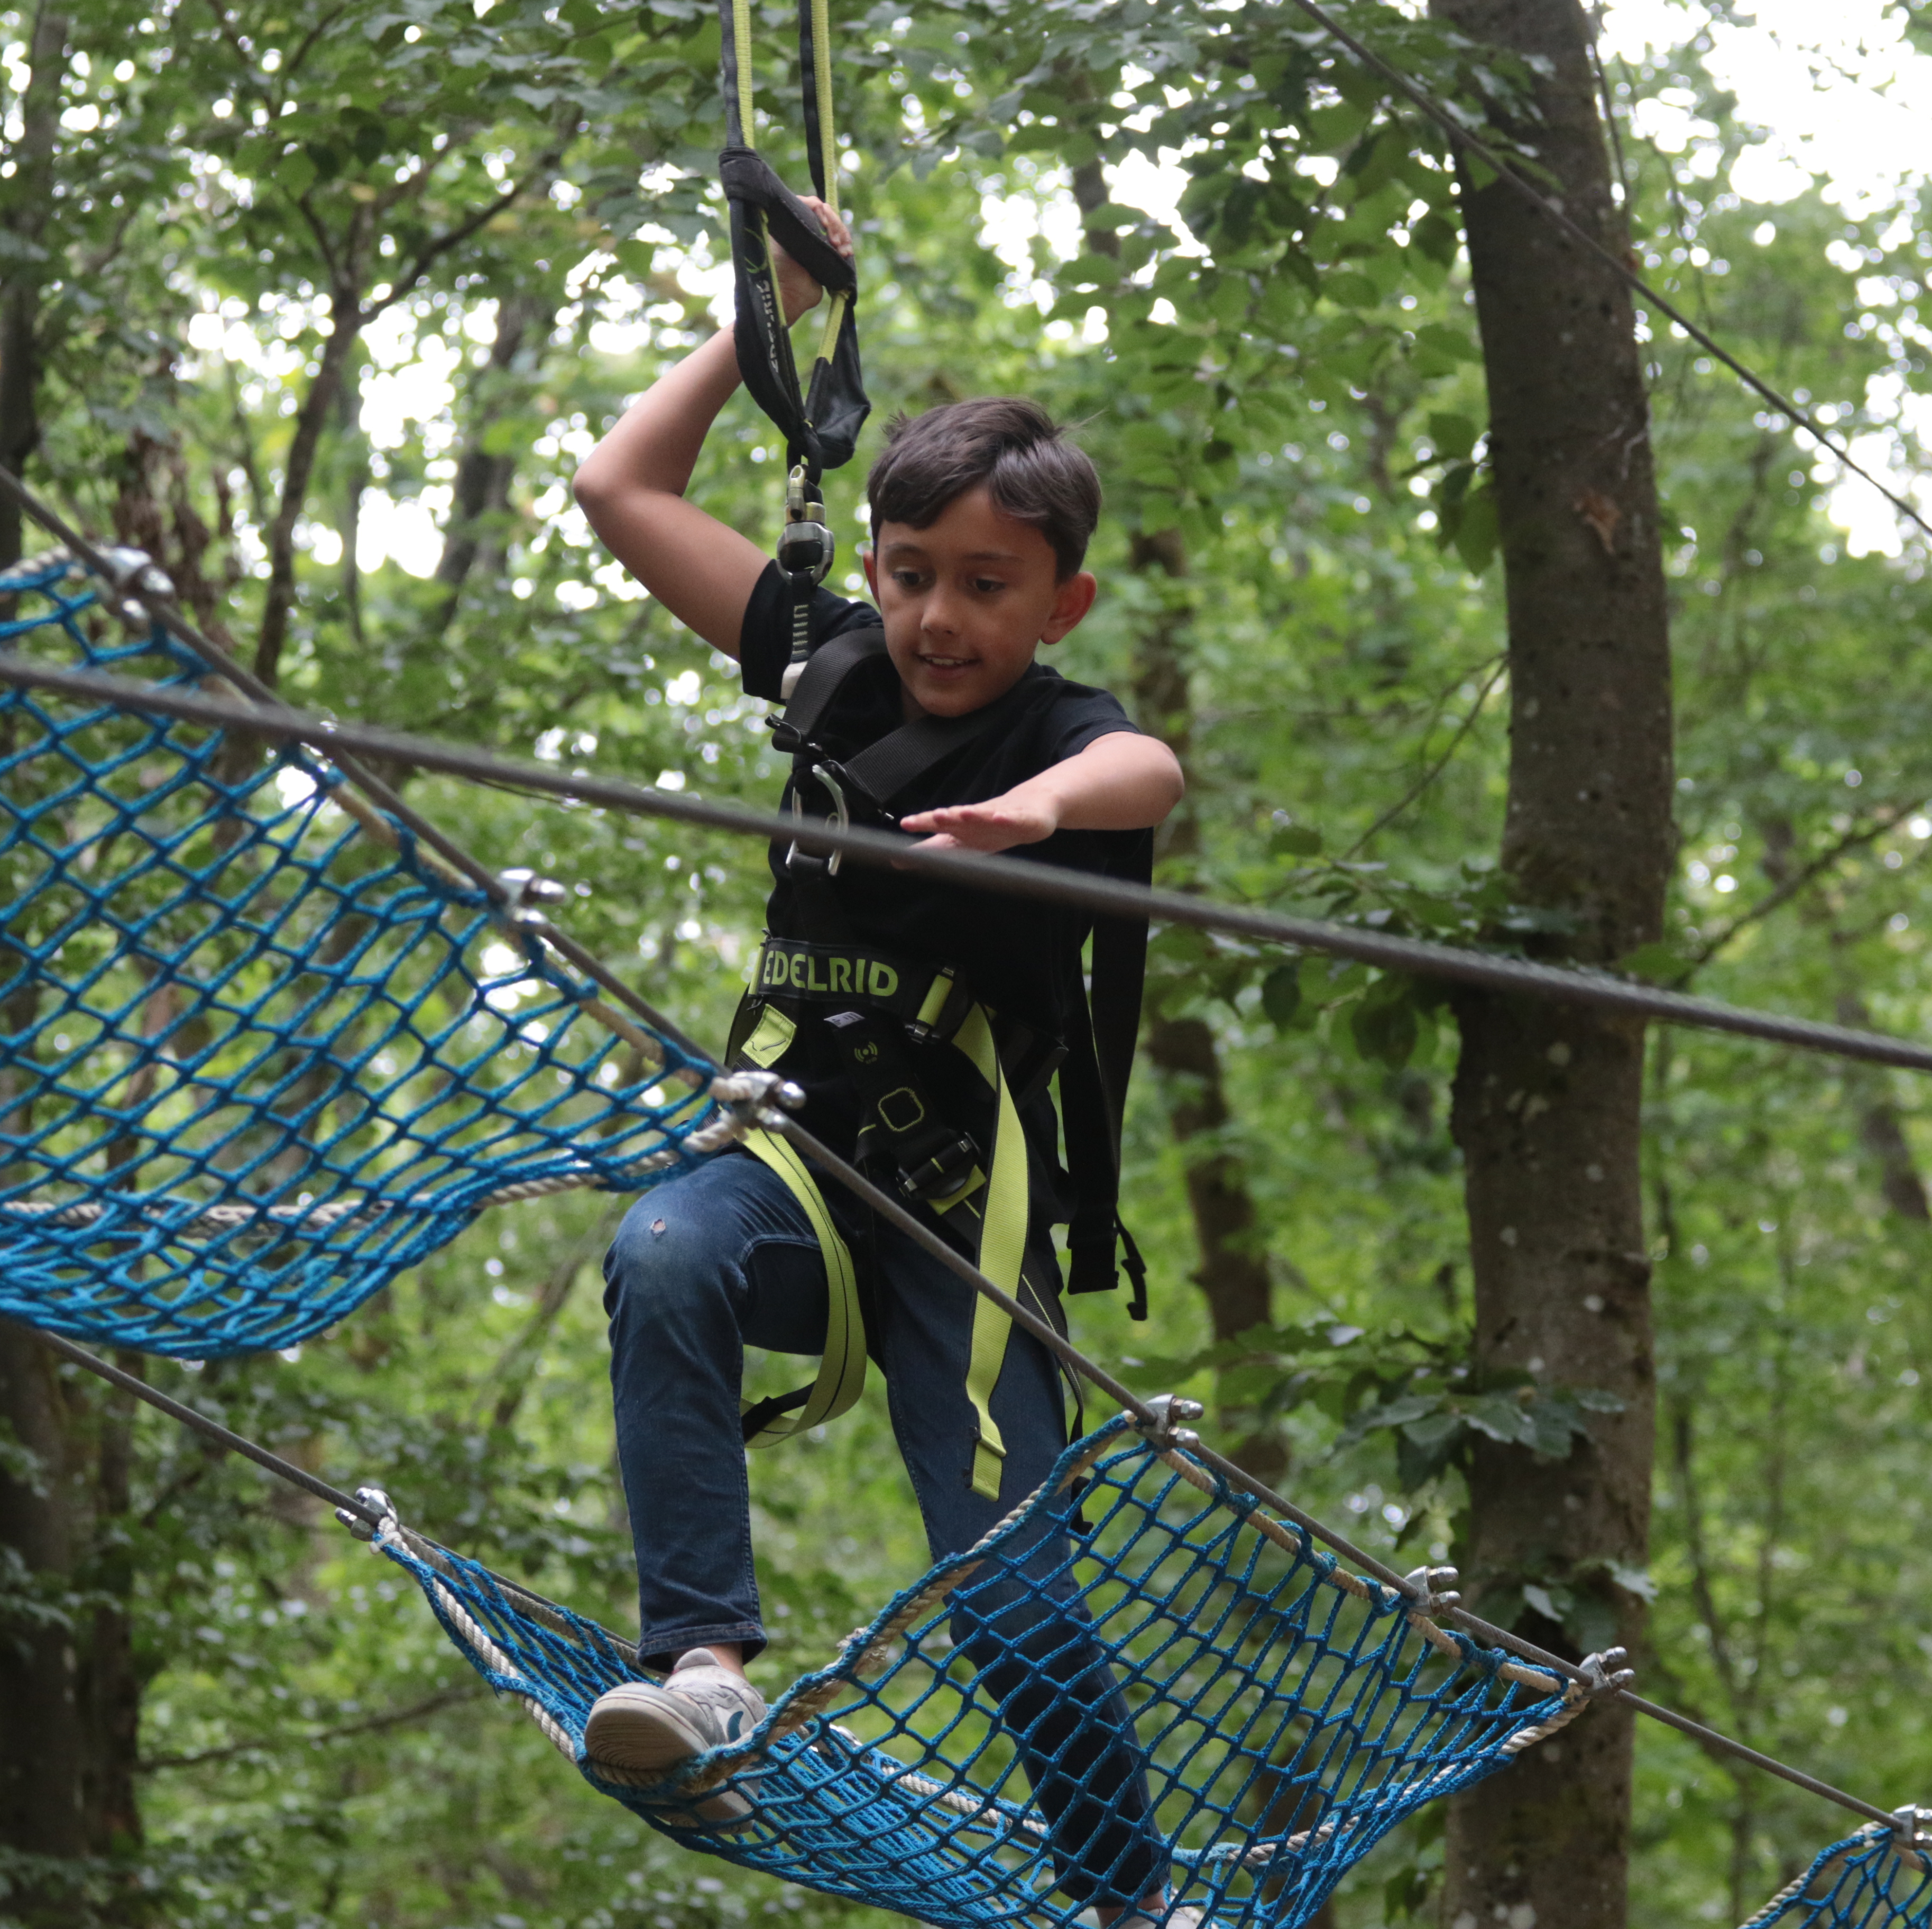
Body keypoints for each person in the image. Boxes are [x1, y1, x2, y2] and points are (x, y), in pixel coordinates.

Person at [566, 200, 1189, 1922]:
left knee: (1013, 1603)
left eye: (985, 588)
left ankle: (1126, 1894)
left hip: (961, 1211)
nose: (934, 618)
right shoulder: (833, 667)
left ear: (1057, 600)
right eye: (911, 575)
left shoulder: (1061, 732)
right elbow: (623, 493)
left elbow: (1151, 774)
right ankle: (700, 1663)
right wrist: (768, 312)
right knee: (661, 1251)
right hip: (786, 1160)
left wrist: (1036, 813)